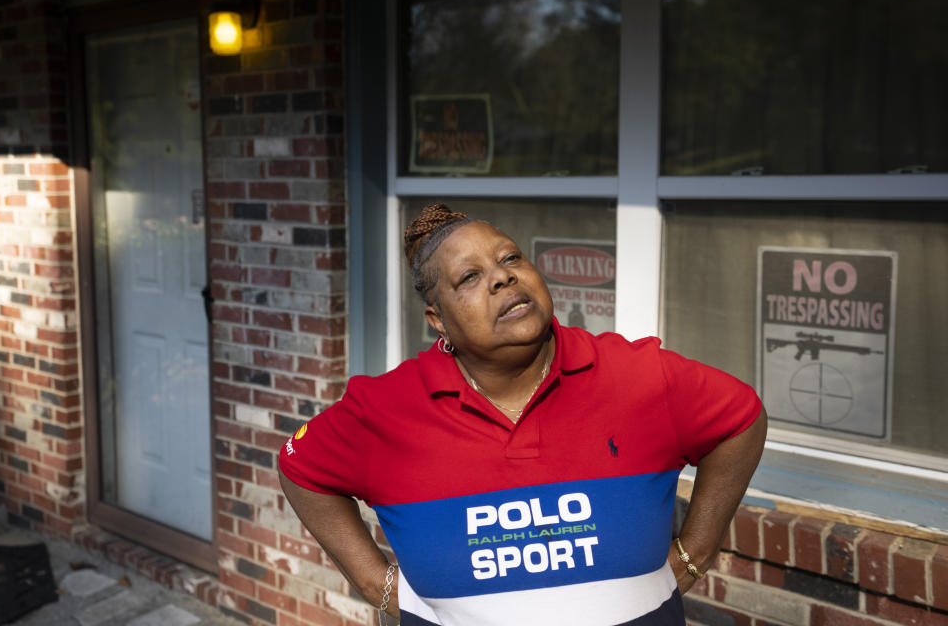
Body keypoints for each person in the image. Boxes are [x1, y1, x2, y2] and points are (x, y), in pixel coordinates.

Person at [279, 204, 767, 626]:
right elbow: (300, 466)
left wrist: (695, 552)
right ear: (437, 320)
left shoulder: (637, 376)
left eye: (511, 258)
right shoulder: (386, 408)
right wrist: (375, 583)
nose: (502, 276)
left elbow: (741, 419)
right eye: (469, 277)